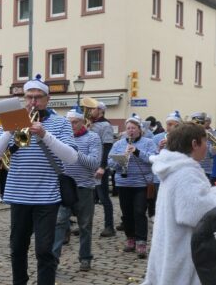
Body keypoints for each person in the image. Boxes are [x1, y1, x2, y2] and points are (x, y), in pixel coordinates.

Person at [0, 75, 78, 285]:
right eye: (29, 97)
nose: (33, 101)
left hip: (47, 198)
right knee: (16, 247)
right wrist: (9, 130)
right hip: (18, 196)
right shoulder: (14, 122)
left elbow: (71, 157)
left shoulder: (59, 124)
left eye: (38, 97)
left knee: (44, 252)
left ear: (47, 99)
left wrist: (45, 135)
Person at [138, 122, 216, 285]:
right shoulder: (185, 171)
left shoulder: (174, 167)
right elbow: (196, 211)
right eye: (206, 143)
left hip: (171, 256)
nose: (208, 148)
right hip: (182, 261)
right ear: (195, 144)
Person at [53, 109, 101, 271]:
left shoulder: (92, 138)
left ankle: (85, 257)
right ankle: (53, 260)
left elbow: (94, 163)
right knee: (59, 223)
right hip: (64, 187)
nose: (71, 125)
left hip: (84, 187)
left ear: (82, 122)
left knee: (85, 225)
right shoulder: (61, 138)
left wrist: (74, 152)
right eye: (69, 122)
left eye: (75, 122)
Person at [108, 114, 156, 259]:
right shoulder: (118, 144)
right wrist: (121, 160)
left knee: (139, 212)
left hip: (141, 183)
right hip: (123, 183)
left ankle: (141, 242)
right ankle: (131, 238)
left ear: (140, 130)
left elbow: (153, 159)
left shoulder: (148, 142)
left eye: (133, 128)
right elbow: (110, 162)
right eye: (128, 128)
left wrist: (137, 152)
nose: (130, 131)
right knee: (127, 213)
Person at [88, 101, 115, 237]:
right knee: (87, 199)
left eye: (93, 109)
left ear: (100, 110)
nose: (90, 111)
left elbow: (107, 147)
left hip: (100, 167)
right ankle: (85, 225)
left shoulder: (106, 125)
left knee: (104, 198)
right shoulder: (89, 124)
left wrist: (103, 166)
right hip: (88, 166)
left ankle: (109, 226)